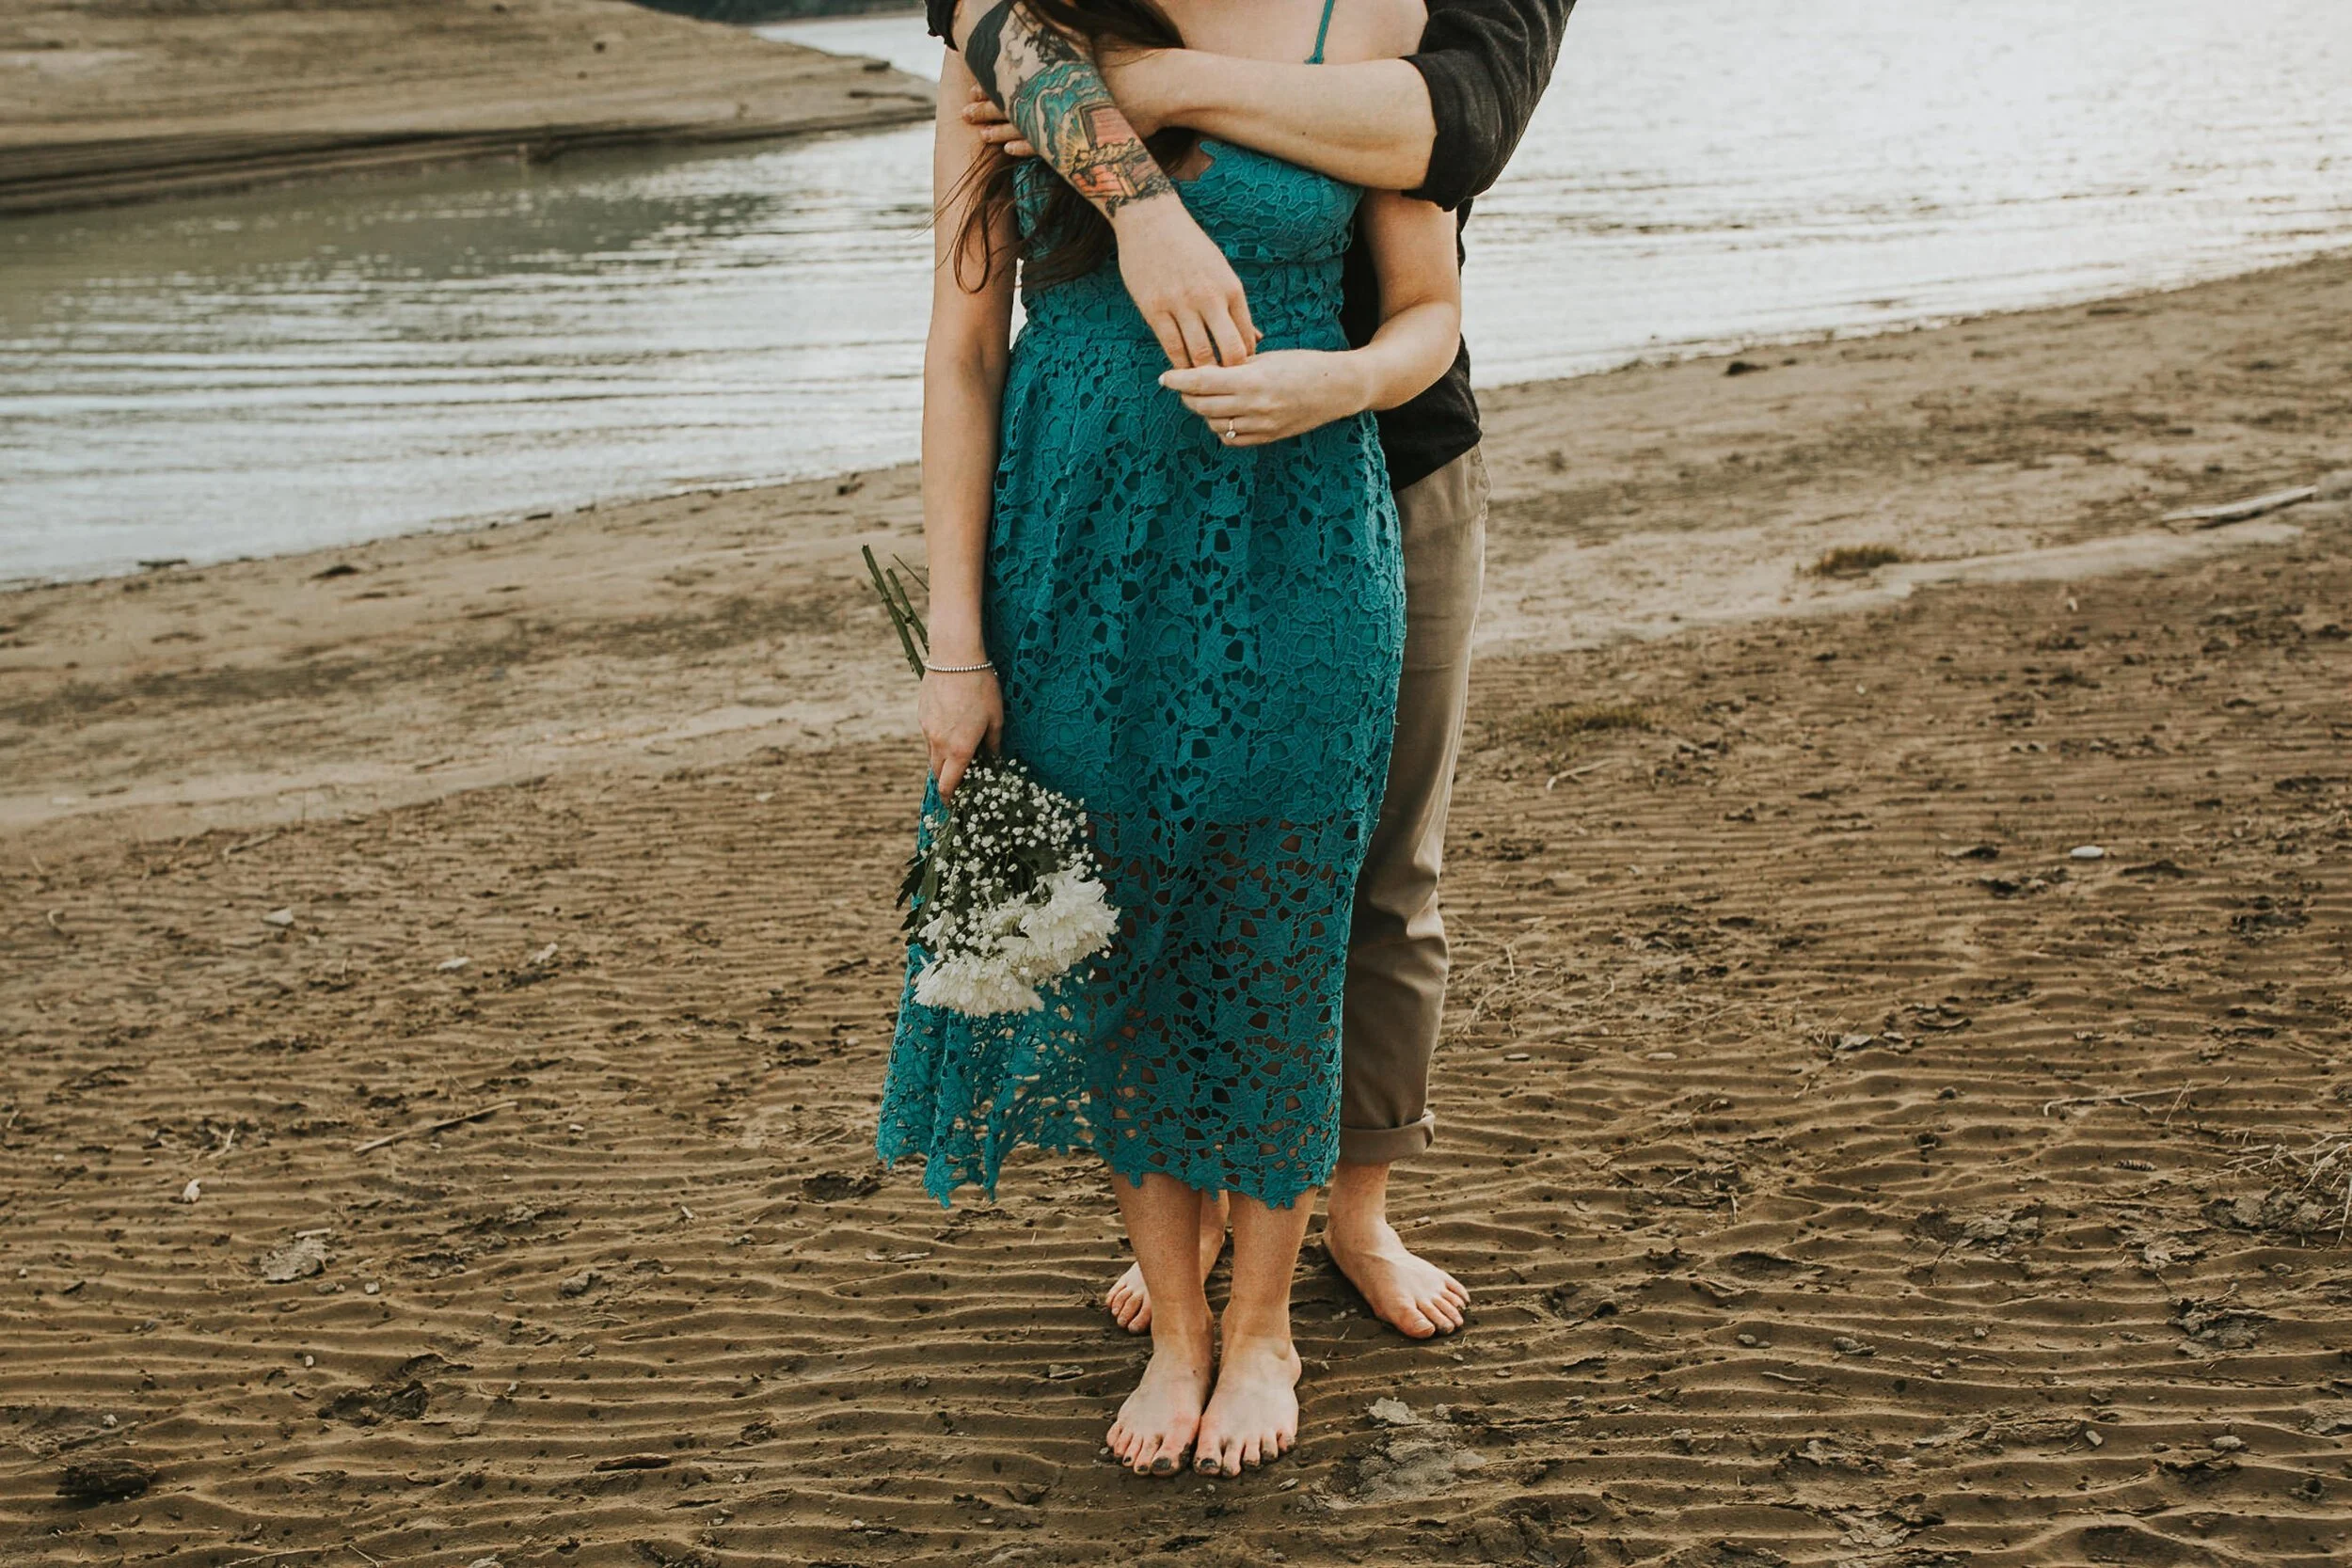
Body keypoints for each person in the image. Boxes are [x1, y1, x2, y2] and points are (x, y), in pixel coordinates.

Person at [930, 0, 1577, 1341]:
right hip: (1100, 520)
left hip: (1369, 474)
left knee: (1368, 872)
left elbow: (1451, 126)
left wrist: (1161, 87)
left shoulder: (1389, 21)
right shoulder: (1023, 37)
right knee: (1138, 878)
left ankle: (1354, 1212)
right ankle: (1192, 1227)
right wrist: (955, 638)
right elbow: (963, 335)